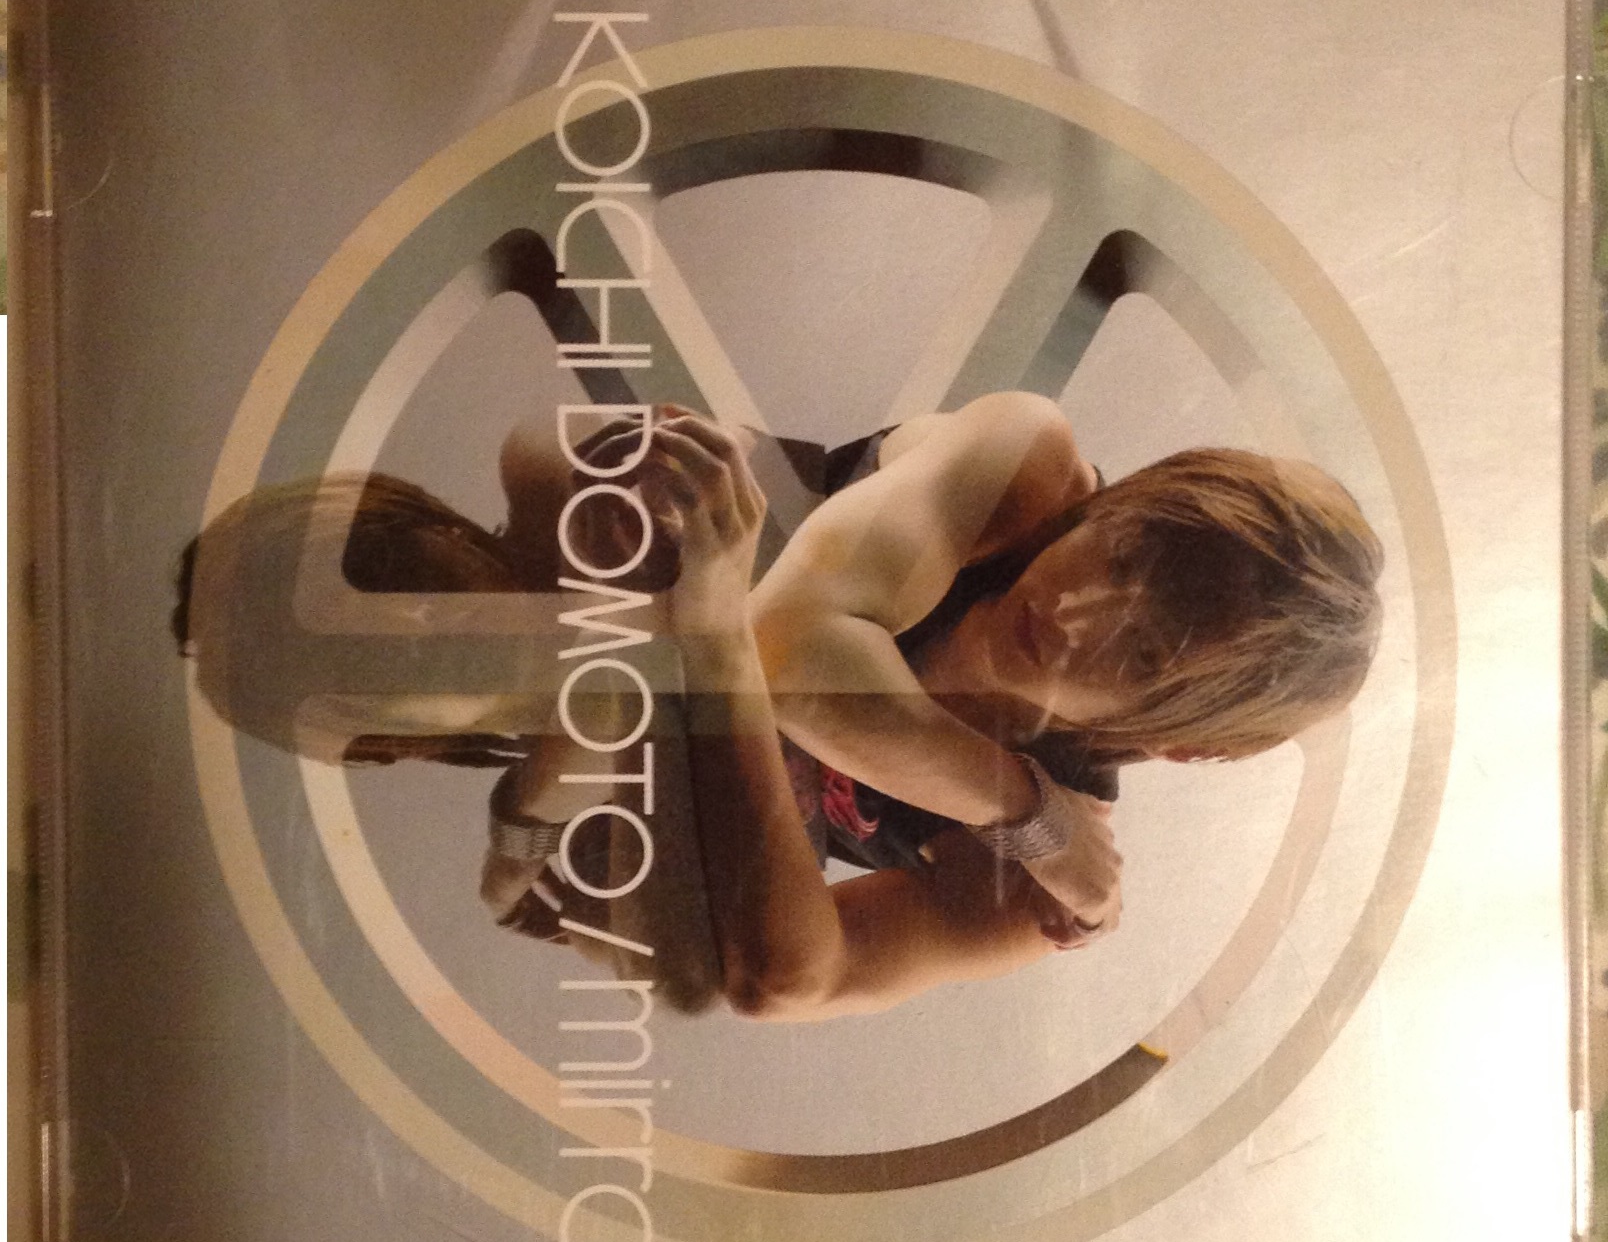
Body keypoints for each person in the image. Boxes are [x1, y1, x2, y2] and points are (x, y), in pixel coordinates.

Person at [176, 393, 1383, 1021]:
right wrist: (1027, 809)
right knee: (601, 508)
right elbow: (790, 652)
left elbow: (787, 980)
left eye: (1143, 644)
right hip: (634, 561)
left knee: (696, 917)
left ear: (1178, 739)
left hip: (644, 775)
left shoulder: (1031, 901)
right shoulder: (1025, 465)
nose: (1074, 606)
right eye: (1119, 548)